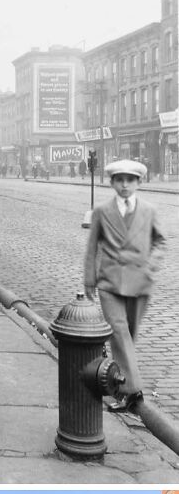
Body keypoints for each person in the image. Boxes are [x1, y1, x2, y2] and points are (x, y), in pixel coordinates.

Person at [83, 159, 166, 412]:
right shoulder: (101, 211)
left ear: (139, 182)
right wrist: (89, 279)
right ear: (112, 183)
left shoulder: (149, 210)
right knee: (118, 333)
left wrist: (150, 265)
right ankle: (132, 390)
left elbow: (160, 242)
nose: (125, 185)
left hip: (140, 282)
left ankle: (123, 383)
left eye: (130, 180)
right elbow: (92, 247)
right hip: (110, 280)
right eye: (119, 180)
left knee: (130, 333)